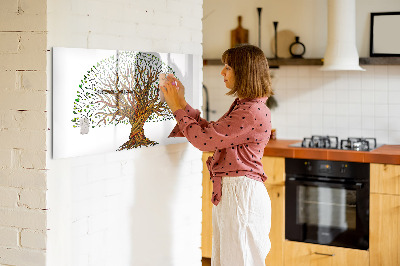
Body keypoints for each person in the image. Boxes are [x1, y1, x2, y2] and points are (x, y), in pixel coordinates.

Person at [160, 44, 273, 266]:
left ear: (244, 71)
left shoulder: (250, 111)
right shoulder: (246, 106)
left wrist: (176, 107)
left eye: (228, 67)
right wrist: (182, 103)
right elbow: (212, 133)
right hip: (236, 193)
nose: (222, 72)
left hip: (241, 195)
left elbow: (204, 141)